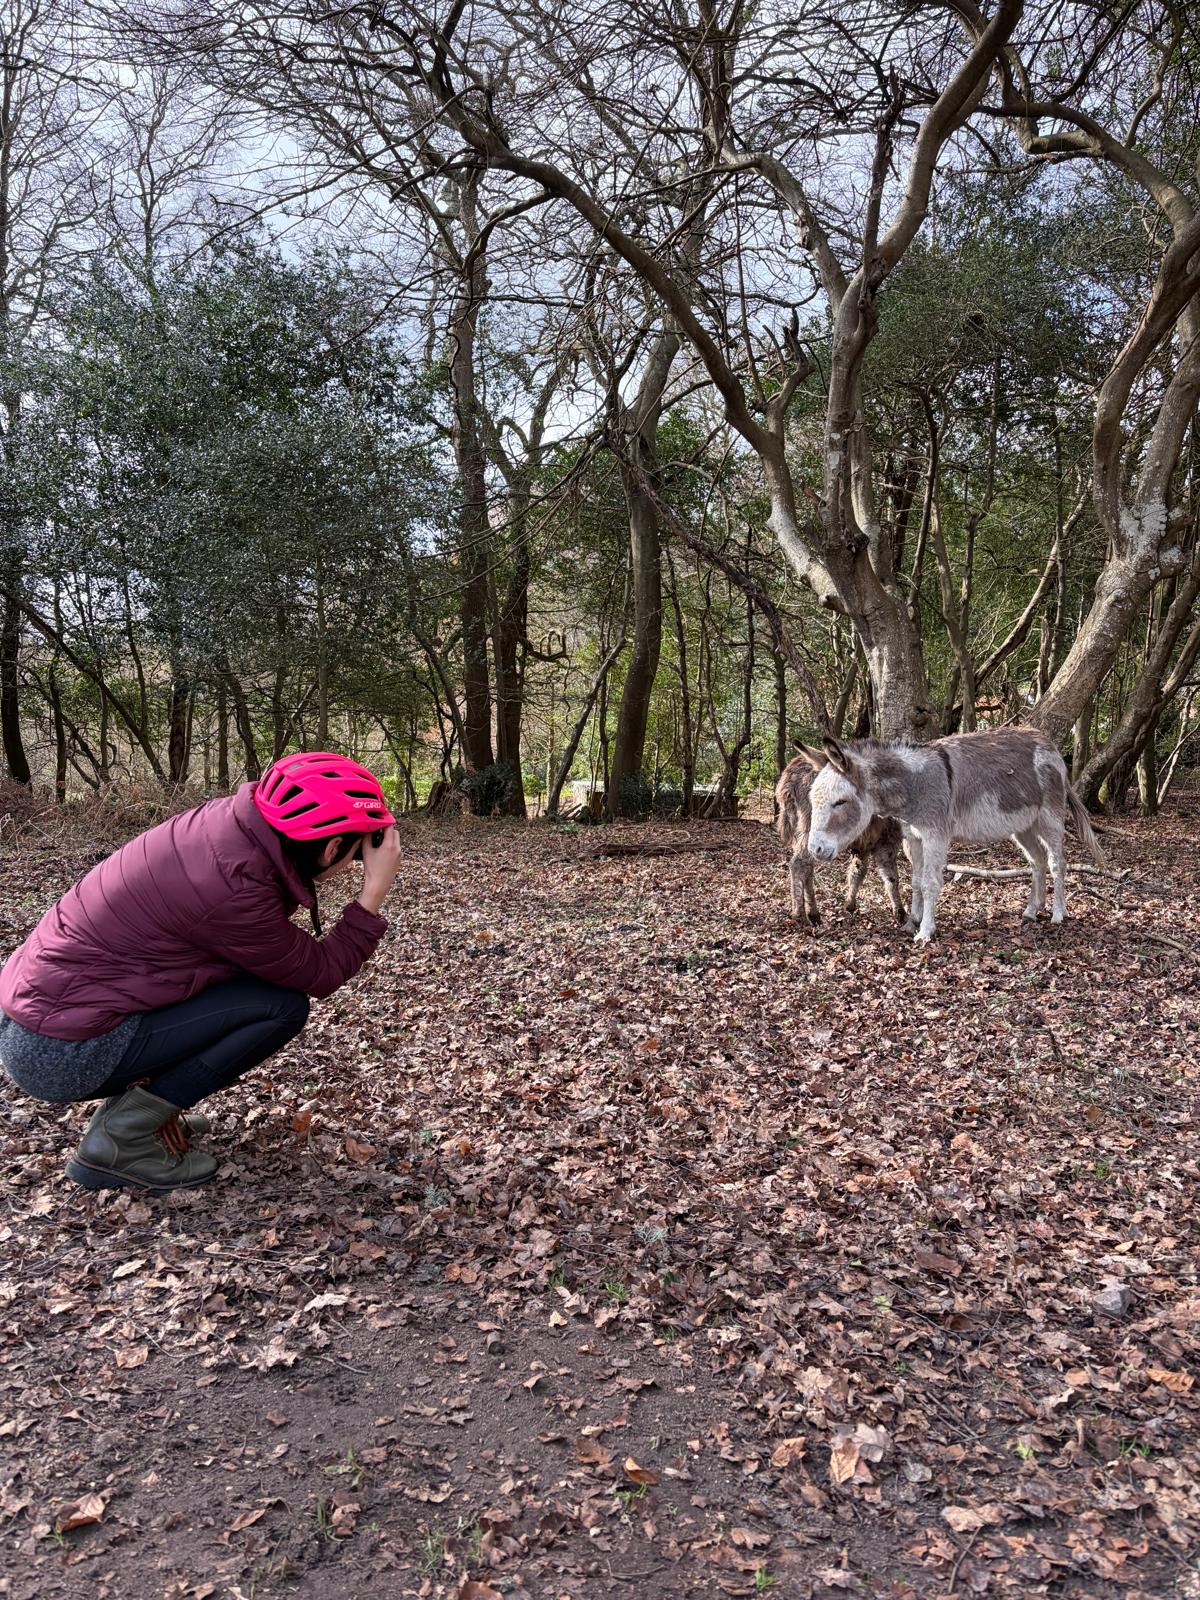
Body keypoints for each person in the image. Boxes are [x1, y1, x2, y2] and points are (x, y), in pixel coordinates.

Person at [0, 752, 402, 1194]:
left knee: (250, 989)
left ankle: (137, 1113)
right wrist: (373, 893)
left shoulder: (228, 827)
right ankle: (121, 1138)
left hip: (40, 1017)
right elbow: (321, 973)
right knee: (280, 1007)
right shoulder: (234, 885)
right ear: (331, 848)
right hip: (60, 1053)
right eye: (356, 851)